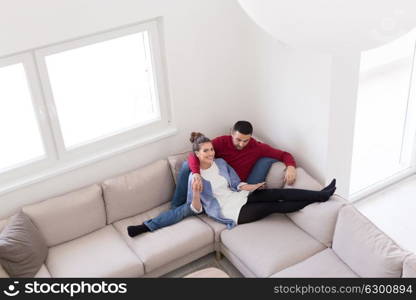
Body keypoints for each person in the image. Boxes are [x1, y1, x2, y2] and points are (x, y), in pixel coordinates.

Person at [127, 133, 336, 236]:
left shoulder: (220, 163)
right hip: (230, 212)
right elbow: (194, 208)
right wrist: (198, 194)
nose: (211, 153)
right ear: (197, 154)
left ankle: (321, 194)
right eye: (206, 151)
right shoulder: (195, 176)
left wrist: (251, 187)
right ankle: (146, 227)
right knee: (275, 206)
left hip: (239, 196)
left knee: (273, 192)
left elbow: (236, 184)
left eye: (211, 149)